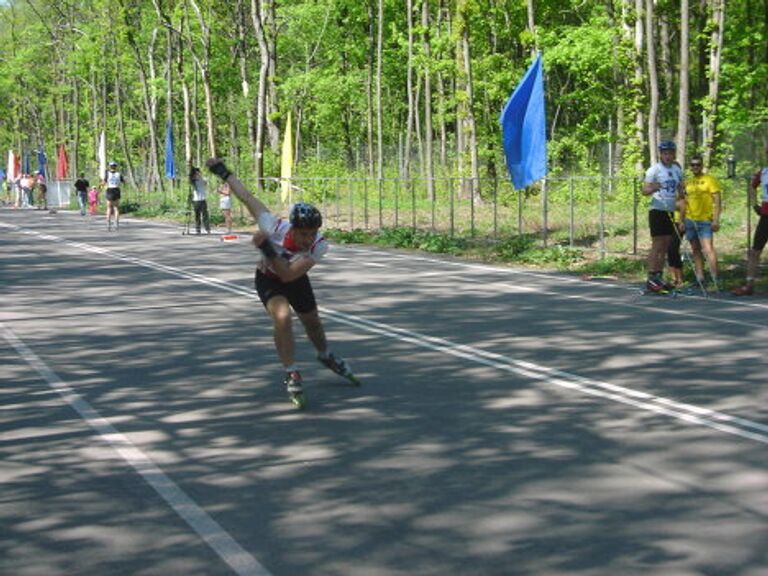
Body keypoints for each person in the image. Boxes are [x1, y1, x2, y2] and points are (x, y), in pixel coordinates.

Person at [205, 157, 355, 407]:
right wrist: (223, 172)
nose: (308, 239)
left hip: (293, 278)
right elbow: (247, 198)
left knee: (313, 324)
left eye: (313, 233)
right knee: (283, 317)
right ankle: (291, 371)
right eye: (304, 234)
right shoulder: (273, 226)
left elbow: (289, 275)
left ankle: (325, 355)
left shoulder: (320, 246)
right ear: (292, 229)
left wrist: (267, 250)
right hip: (268, 281)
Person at [642, 140, 686, 292]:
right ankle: (651, 277)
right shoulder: (654, 170)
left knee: (667, 244)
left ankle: (659, 276)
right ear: (661, 154)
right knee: (657, 244)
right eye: (665, 153)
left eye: (670, 153)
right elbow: (644, 190)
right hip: (657, 210)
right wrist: (654, 187)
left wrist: (682, 195)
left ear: (674, 154)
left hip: (670, 210)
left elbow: (681, 190)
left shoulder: (677, 170)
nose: (668, 156)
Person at [681, 154, 721, 291]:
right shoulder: (688, 182)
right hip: (690, 220)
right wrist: (681, 220)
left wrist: (716, 219)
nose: (695, 167)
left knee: (708, 249)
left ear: (702, 165)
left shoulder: (709, 180)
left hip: (705, 220)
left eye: (698, 164)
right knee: (695, 250)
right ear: (690, 167)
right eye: (693, 165)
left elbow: (717, 200)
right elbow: (683, 201)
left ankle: (715, 279)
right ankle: (700, 278)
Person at [733, 145, 768, 295]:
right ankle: (749, 284)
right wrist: (755, 204)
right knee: (755, 251)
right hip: (766, 215)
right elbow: (752, 186)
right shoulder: (764, 172)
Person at [103, 160, 124, 231]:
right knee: (116, 208)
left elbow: (104, 182)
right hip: (116, 190)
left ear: (110, 166)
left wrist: (102, 185)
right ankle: (116, 224)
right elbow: (123, 181)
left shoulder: (107, 173)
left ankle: (108, 223)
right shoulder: (119, 174)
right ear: (116, 167)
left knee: (109, 208)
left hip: (110, 190)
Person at [189, 167, 211, 234]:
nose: (197, 174)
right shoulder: (193, 181)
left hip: (203, 199)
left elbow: (205, 182)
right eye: (196, 173)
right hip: (196, 201)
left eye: (198, 172)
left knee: (205, 215)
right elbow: (191, 180)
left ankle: (207, 229)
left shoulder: (202, 179)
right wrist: (194, 175)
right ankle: (198, 228)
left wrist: (200, 175)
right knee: (197, 215)